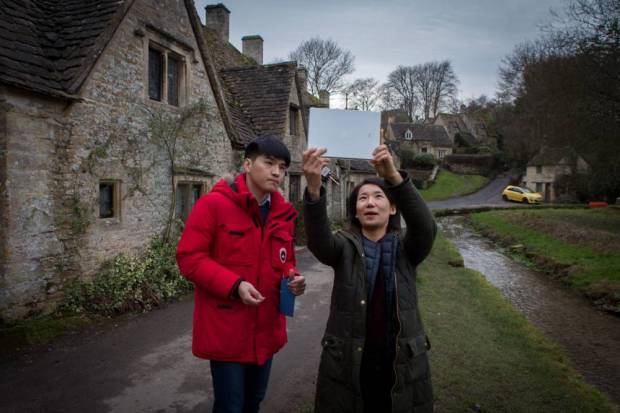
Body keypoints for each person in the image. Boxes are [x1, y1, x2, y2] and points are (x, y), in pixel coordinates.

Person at [302, 139, 437, 413]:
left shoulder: (407, 250)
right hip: (349, 364)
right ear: (356, 211)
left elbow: (426, 228)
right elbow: (318, 241)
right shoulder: (343, 247)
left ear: (394, 207)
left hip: (399, 362)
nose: (370, 203)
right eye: (363, 198)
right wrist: (314, 188)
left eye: (379, 196)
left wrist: (394, 177)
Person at [176, 136, 306, 413]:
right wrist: (235, 285)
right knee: (230, 406)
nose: (276, 172)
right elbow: (189, 257)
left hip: (267, 327)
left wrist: (293, 277)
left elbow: (286, 262)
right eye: (268, 163)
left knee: (253, 402)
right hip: (228, 329)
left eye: (282, 167)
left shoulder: (283, 214)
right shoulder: (213, 205)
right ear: (247, 164)